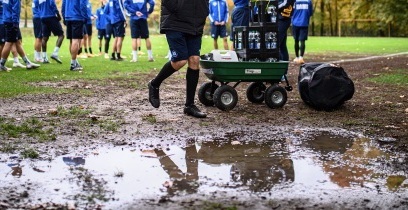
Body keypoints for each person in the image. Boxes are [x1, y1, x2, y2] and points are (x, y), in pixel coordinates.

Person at [148, 0, 209, 118]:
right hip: (175, 22)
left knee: (194, 60)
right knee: (180, 60)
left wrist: (204, 10)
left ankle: (189, 105)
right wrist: (177, 8)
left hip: (195, 23)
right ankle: (154, 84)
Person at [0, 0, 40, 71]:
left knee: (17, 41)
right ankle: (1, 64)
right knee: (8, 43)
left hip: (6, 20)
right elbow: (15, 9)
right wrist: (15, 22)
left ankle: (27, 63)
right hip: (12, 21)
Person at [62, 0, 88, 71]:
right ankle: (73, 64)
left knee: (71, 40)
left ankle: (75, 61)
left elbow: (63, 3)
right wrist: (85, 17)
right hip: (77, 17)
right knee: (76, 40)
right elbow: (83, 4)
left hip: (68, 17)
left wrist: (64, 16)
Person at [291, 0, 313, 64]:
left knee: (296, 40)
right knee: (302, 41)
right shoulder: (308, 1)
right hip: (304, 22)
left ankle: (297, 57)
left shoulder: (295, 1)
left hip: (295, 23)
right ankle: (301, 57)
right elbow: (310, 13)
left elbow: (291, 11)